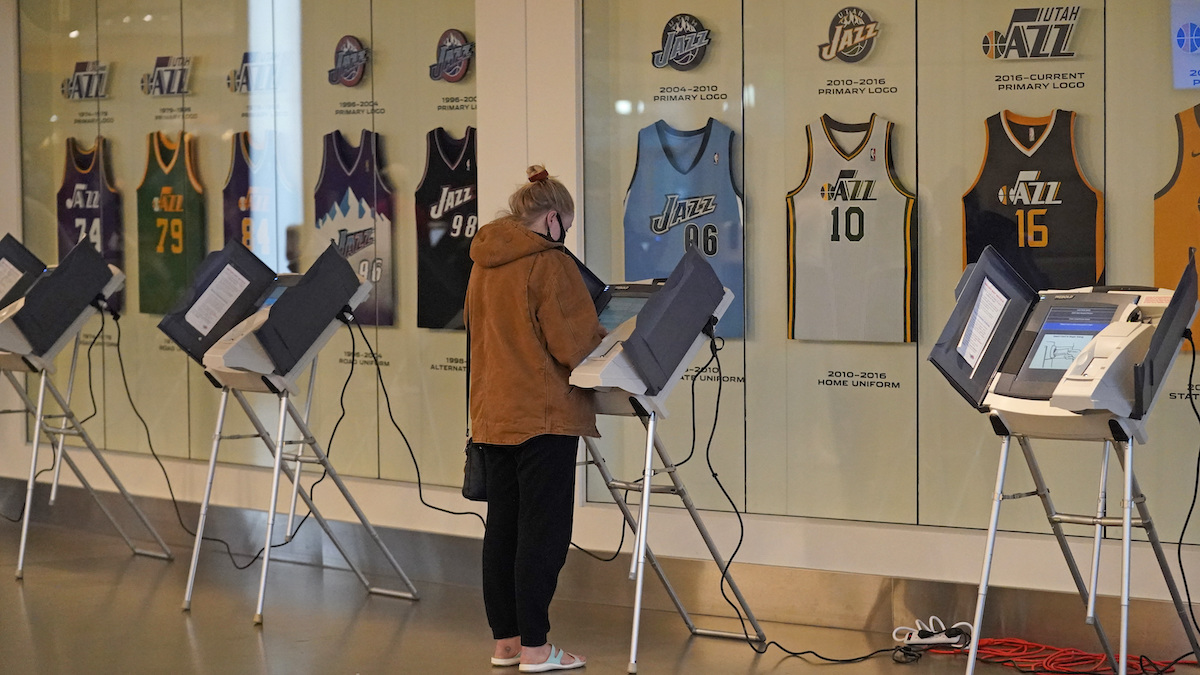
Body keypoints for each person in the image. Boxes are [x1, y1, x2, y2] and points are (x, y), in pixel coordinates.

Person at [464, 165, 604, 672]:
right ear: (551, 219)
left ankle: (506, 643)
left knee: (503, 529)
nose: (565, 235)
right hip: (544, 417)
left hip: (493, 415)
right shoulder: (550, 263)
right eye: (566, 224)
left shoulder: (483, 262)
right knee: (542, 534)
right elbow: (576, 346)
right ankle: (538, 649)